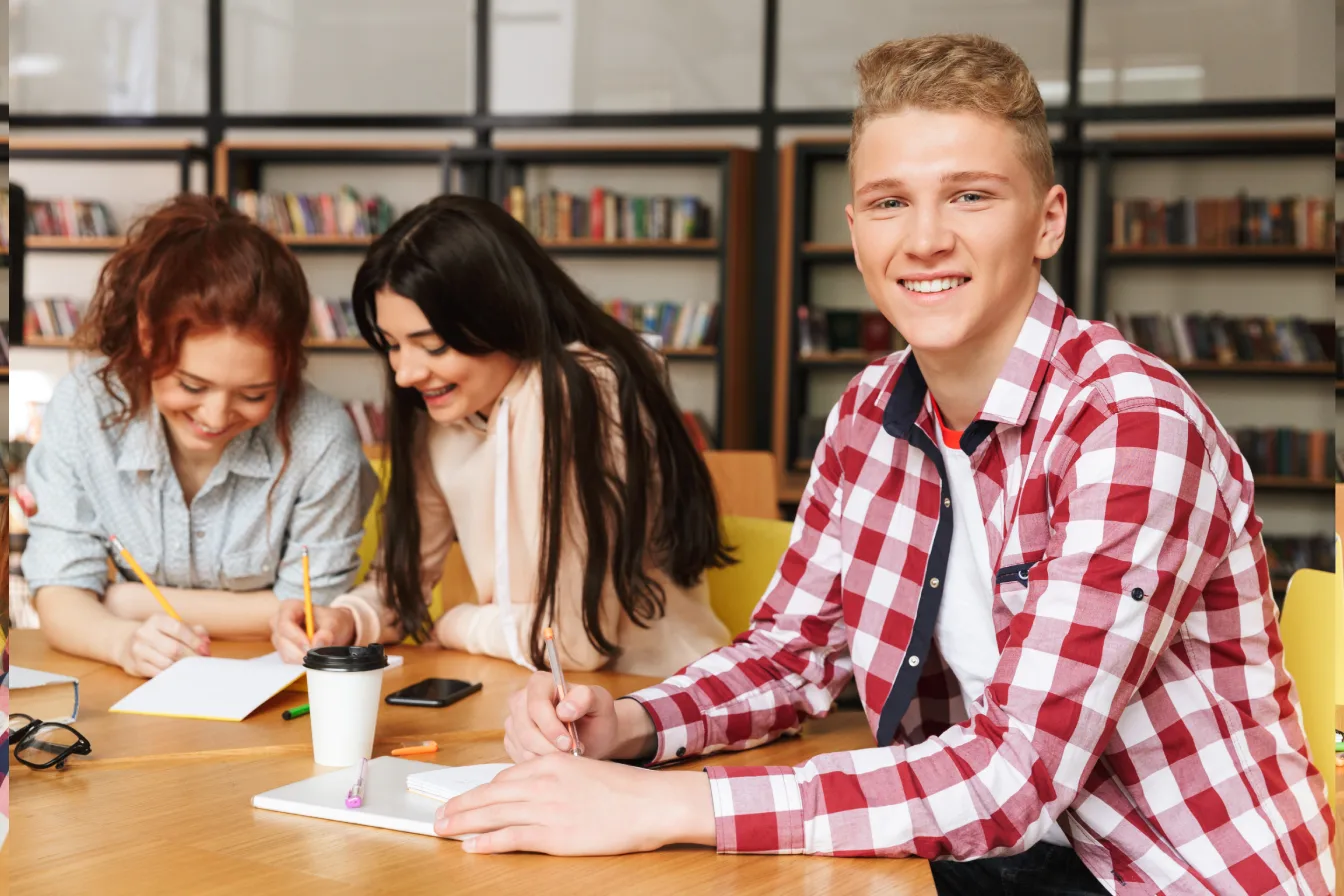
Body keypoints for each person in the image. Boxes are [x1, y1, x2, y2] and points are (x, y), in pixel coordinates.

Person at [441, 33, 1336, 895]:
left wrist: (666, 803)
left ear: (1049, 221)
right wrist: (631, 727)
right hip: (983, 861)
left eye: (971, 196)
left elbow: (1011, 775)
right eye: (890, 202)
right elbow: (790, 656)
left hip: (1167, 875)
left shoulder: (1132, 427)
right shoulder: (869, 412)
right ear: (856, 226)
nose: (925, 240)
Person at [268, 194, 734, 677]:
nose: (405, 372)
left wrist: (459, 624)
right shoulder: (445, 417)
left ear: (500, 316)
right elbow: (401, 587)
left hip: (658, 696)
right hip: (534, 690)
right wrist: (345, 619)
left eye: (433, 345)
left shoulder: (580, 390)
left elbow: (572, 643)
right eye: (392, 346)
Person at [23, 194, 377, 678]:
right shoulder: (86, 408)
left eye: (254, 393)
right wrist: (123, 639)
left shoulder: (321, 437)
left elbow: (306, 616)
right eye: (192, 385)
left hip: (274, 691)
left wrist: (123, 601)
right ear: (147, 337)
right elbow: (58, 594)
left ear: (286, 368)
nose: (215, 416)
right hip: (128, 687)